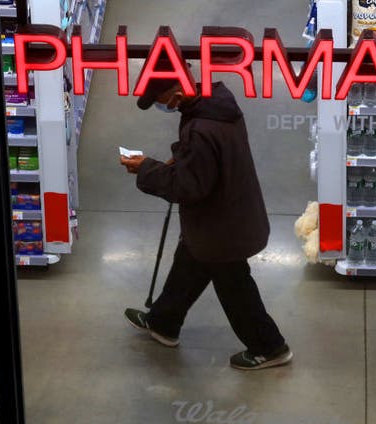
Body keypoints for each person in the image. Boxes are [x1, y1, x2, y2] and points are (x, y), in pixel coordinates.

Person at [119, 74, 292, 371]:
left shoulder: (200, 128)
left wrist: (146, 169)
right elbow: (207, 158)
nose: (165, 107)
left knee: (234, 286)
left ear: (176, 92)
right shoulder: (215, 103)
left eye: (162, 102)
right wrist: (179, 157)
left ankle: (270, 347)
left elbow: (188, 187)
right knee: (189, 262)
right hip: (227, 212)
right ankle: (163, 322)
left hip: (221, 227)